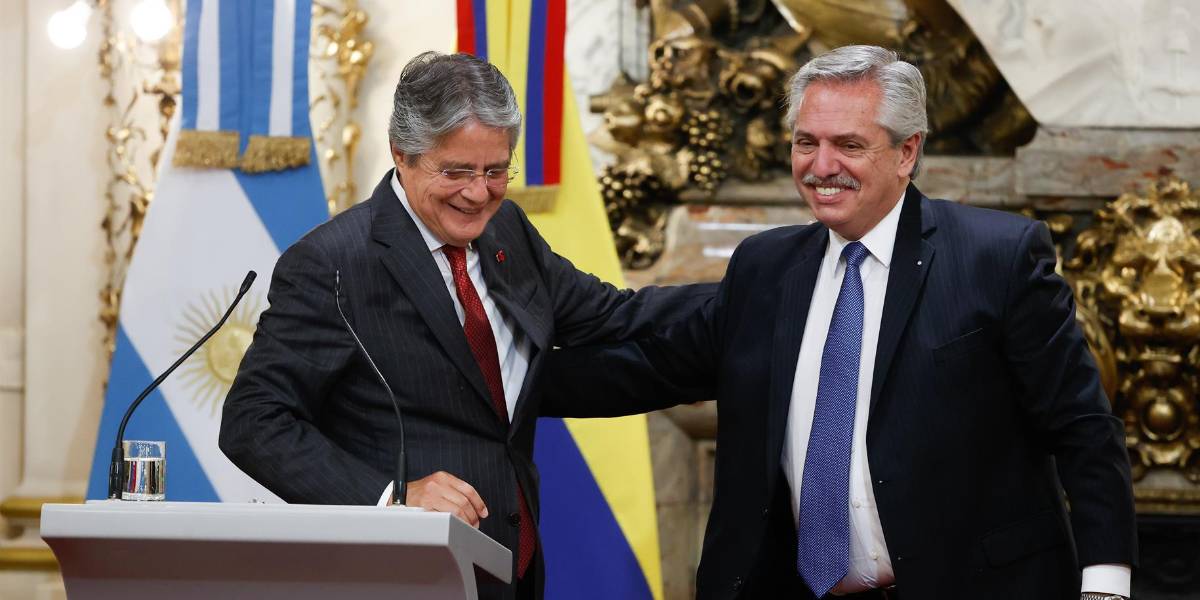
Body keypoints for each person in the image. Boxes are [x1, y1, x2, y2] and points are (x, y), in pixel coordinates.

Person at [542, 45, 1137, 600]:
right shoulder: (764, 266)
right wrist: (495, 379)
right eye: (806, 142)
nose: (821, 166)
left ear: (907, 152)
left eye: (849, 145)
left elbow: (1083, 428)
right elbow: (647, 368)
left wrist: (1105, 586)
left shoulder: (996, 257)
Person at [218, 51, 713, 600]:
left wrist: (755, 293)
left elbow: (614, 316)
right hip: (398, 575)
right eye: (456, 172)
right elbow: (253, 421)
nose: (479, 193)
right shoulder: (334, 263)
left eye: (496, 171)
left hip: (512, 565)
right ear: (402, 153)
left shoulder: (508, 230)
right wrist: (393, 497)